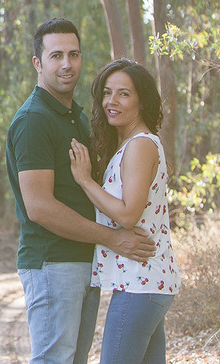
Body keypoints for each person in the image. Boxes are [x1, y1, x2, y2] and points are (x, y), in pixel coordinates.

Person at [6, 20, 156, 364]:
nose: (66, 64)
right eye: (56, 55)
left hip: (84, 261)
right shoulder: (34, 120)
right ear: (37, 63)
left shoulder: (77, 117)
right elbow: (40, 207)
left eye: (73, 54)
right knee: (55, 359)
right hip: (52, 261)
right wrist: (113, 238)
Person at [69, 59, 180, 364]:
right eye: (107, 93)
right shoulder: (132, 144)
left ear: (141, 100)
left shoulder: (140, 145)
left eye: (123, 94)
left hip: (140, 283)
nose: (111, 102)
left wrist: (85, 181)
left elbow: (129, 214)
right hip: (146, 282)